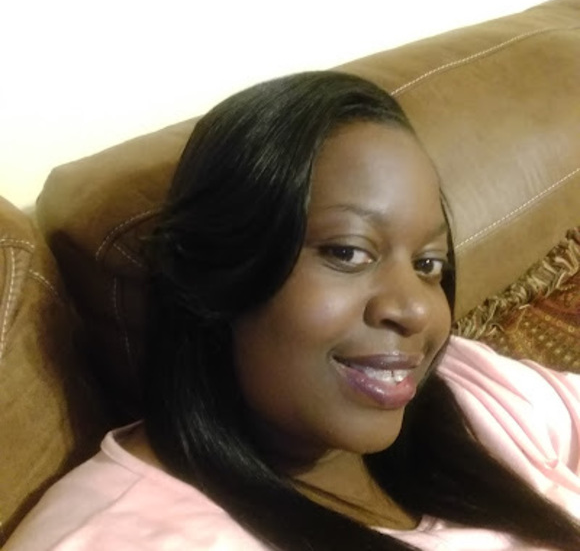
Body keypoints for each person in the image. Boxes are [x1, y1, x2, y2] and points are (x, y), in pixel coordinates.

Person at [6, 72, 580, 550]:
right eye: (348, 252)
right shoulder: (125, 537)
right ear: (213, 271)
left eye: (428, 264)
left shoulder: (464, 387)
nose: (414, 311)